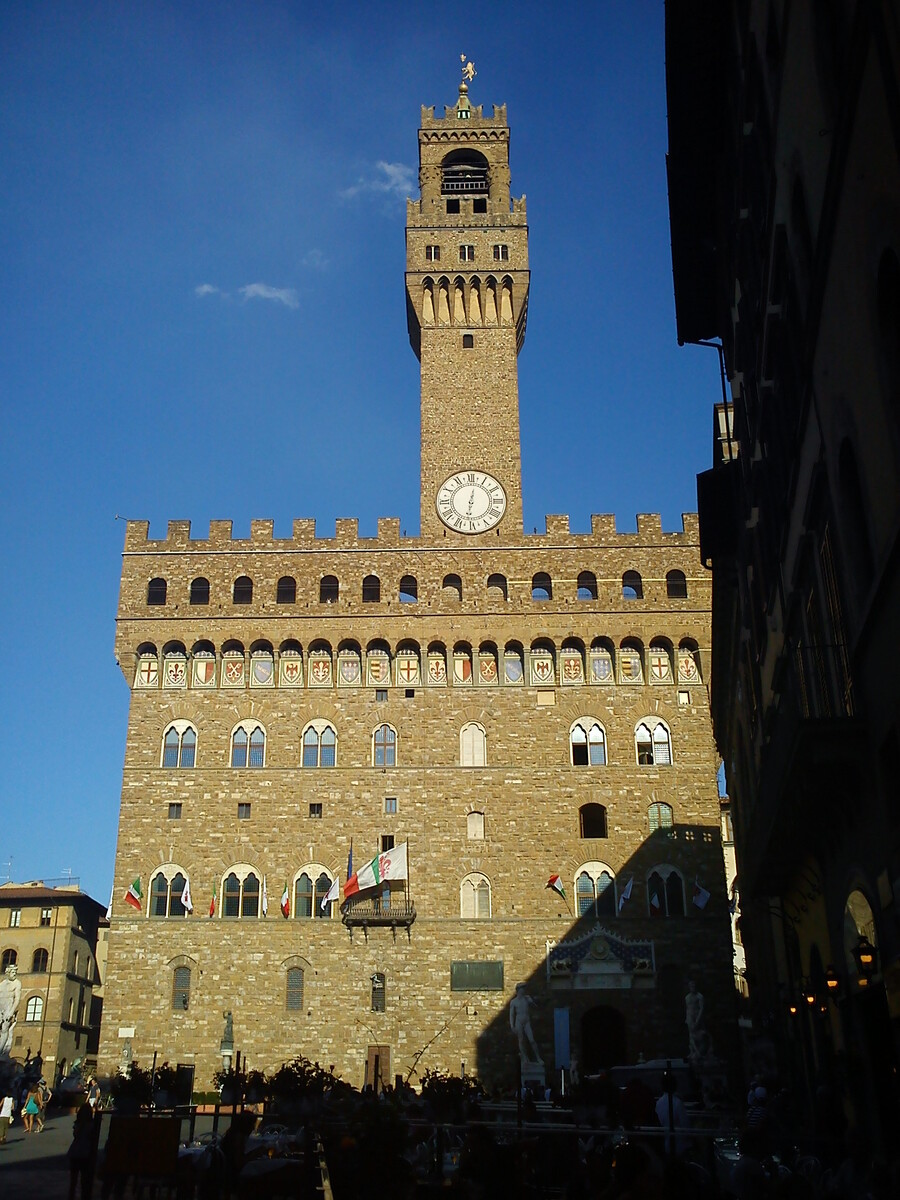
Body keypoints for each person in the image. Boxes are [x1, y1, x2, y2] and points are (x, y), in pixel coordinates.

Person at [67, 1103, 97, 1200]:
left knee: (73, 1179)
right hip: (86, 1152)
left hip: (75, 1151)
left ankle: (71, 1196)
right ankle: (85, 1196)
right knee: (85, 1179)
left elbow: (76, 1135)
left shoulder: (78, 1124)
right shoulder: (92, 1125)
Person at [509, 982, 543, 1063]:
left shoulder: (527, 998)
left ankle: (538, 1057)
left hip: (527, 1021)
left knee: (532, 1040)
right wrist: (512, 1026)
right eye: (522, 988)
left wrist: (531, 1001)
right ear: (518, 990)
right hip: (519, 1021)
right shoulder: (514, 1002)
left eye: (524, 988)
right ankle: (524, 1057)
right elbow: (512, 1015)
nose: (523, 990)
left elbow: (535, 1007)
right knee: (521, 1040)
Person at [0, 964, 22, 1058]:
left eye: (15, 972)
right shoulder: (2, 983)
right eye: (13, 972)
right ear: (8, 972)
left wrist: (11, 1011)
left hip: (8, 1006)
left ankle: (1, 1051)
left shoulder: (17, 983)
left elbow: (17, 999)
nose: (14, 974)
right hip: (1, 1005)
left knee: (5, 1029)